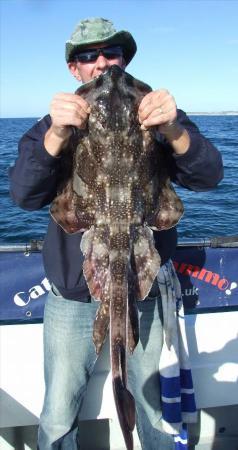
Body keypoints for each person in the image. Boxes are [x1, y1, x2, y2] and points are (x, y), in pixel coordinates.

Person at [9, 17, 223, 450]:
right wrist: (55, 134)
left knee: (155, 410)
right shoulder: (54, 125)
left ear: (125, 60)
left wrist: (174, 131)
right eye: (89, 56)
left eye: (112, 54)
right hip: (72, 293)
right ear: (74, 69)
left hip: (140, 285)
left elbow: (209, 175)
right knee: (56, 413)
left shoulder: (160, 118)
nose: (103, 64)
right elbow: (23, 195)